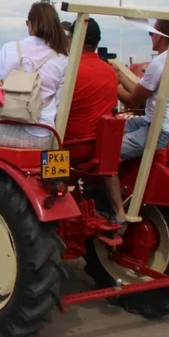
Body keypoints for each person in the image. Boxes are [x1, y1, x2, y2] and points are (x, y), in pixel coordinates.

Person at [0, 2, 69, 149]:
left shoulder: (9, 49)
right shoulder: (62, 59)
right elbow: (59, 103)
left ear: (31, 24)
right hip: (39, 136)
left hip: (1, 132)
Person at [62, 18, 122, 226]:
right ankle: (118, 212)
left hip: (70, 148)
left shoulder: (69, 71)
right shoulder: (109, 72)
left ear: (75, 39)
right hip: (101, 149)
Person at [113, 20, 169, 159]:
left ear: (159, 36)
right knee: (111, 128)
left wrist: (109, 84)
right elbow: (138, 90)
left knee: (106, 149)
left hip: (160, 131)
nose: (151, 37)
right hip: (167, 127)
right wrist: (118, 74)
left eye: (151, 33)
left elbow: (132, 101)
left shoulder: (160, 62)